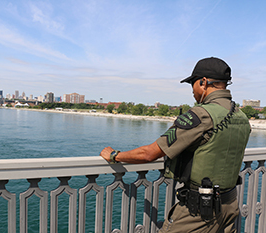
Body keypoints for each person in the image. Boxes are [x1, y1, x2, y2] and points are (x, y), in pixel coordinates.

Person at [100, 57, 251, 232]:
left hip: (200, 212)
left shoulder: (200, 115)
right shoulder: (241, 116)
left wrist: (114, 155)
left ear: (203, 82)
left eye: (192, 84)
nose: (192, 92)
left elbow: (149, 153)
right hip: (230, 206)